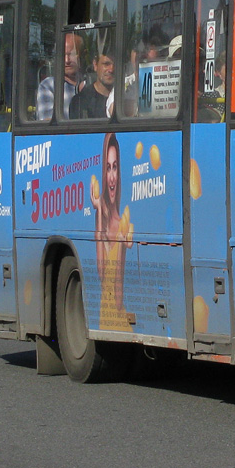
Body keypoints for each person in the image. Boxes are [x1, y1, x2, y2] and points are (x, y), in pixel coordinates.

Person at [91, 132, 132, 331]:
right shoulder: (101, 220)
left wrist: (123, 246)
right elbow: (100, 271)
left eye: (115, 167)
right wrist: (99, 210)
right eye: (108, 168)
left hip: (117, 319)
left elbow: (117, 299)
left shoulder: (123, 224)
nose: (112, 176)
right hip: (103, 318)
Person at [36, 32, 85, 120]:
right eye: (63, 55)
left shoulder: (91, 83)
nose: (67, 60)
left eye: (72, 54)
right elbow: (48, 125)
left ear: (82, 55)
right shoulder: (49, 85)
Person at [71, 46, 115, 119]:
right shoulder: (80, 102)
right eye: (106, 64)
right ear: (95, 65)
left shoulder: (126, 98)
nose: (111, 70)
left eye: (116, 65)